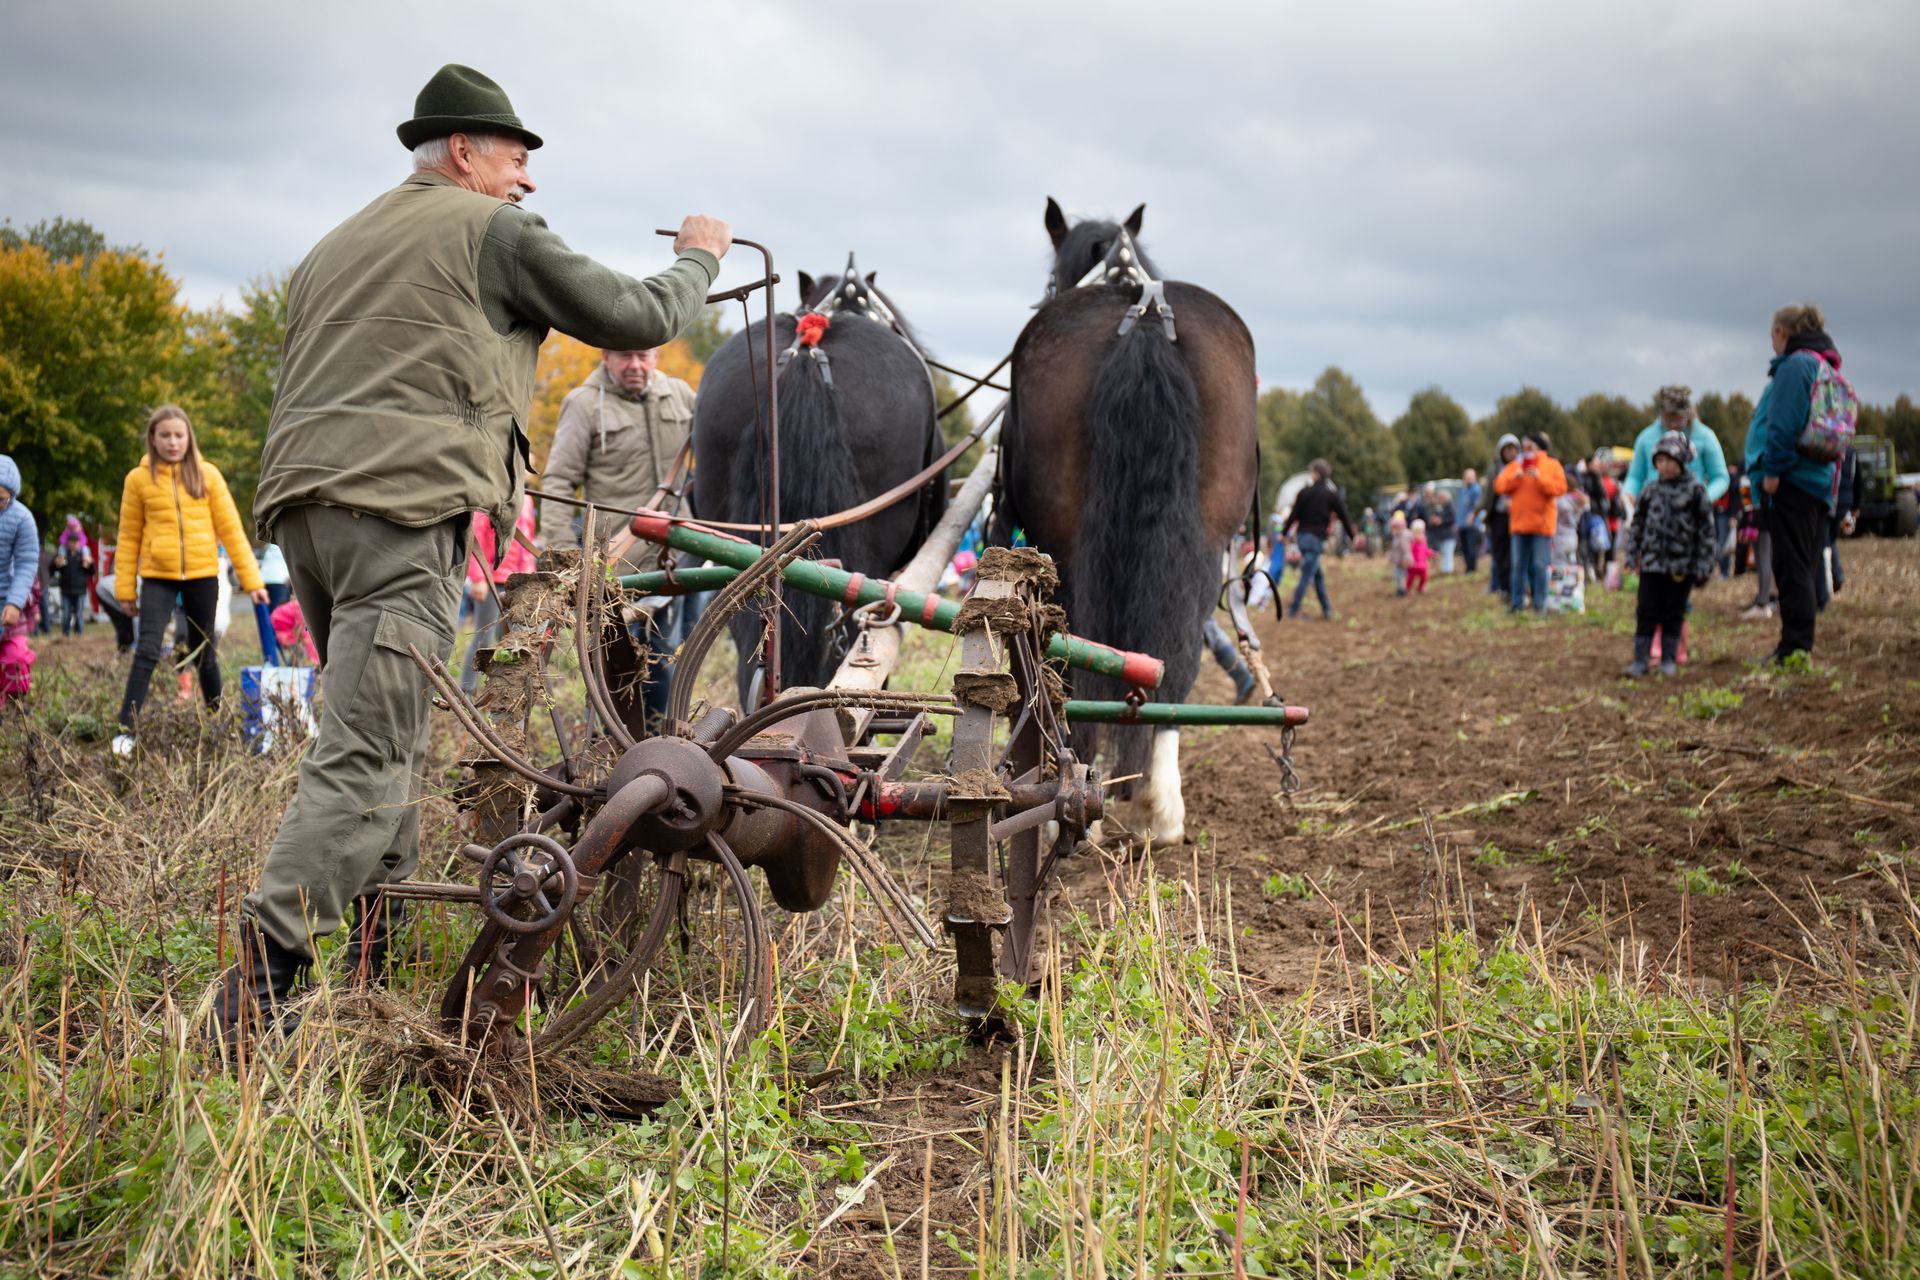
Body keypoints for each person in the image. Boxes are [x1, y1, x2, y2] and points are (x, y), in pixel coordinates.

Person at [217, 63, 732, 1044]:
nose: (527, 178)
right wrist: (698, 258)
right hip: (402, 514)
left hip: (305, 511)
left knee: (392, 726)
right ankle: (260, 993)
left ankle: (376, 947)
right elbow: (636, 316)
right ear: (462, 151)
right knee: (367, 746)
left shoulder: (338, 241)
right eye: (515, 158)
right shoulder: (491, 229)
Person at [110, 406, 267, 753]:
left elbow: (232, 530)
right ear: (153, 439)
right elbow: (128, 537)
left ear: (188, 438)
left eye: (179, 435)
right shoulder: (138, 480)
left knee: (204, 650)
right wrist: (125, 589)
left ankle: (217, 721)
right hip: (158, 577)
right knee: (148, 649)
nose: (172, 442)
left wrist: (253, 581)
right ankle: (125, 731)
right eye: (165, 435)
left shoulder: (207, 475)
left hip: (202, 575)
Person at [1743, 304, 1843, 664]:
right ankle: (1797, 645)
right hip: (1815, 481)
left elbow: (1782, 425)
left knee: (1792, 569)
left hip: (1791, 482)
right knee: (1803, 565)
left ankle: (1794, 649)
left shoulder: (1795, 365)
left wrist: (1771, 473)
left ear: (1782, 333)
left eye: (1772, 334)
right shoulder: (1821, 364)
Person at [1622, 431, 1715, 677]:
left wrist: (1704, 564)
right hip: (1651, 564)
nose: (1665, 466)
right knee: (1646, 610)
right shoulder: (1650, 490)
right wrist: (1631, 555)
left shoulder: (1695, 491)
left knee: (1673, 610)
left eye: (1671, 460)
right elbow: (1638, 525)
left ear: (1683, 461)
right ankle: (1640, 660)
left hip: (1681, 565)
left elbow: (1706, 530)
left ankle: (1668, 658)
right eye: (1660, 461)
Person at [459, 493, 537, 695]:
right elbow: (475, 537)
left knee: (512, 640)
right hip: (491, 579)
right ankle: (466, 689)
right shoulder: (492, 495)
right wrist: (478, 577)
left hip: (517, 581)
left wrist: (529, 575)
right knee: (483, 637)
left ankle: (505, 691)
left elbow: (528, 537)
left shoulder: (527, 500)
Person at [1494, 432, 1568, 614]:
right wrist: (1516, 477)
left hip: (1542, 525)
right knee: (1518, 566)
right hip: (1519, 525)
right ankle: (1517, 603)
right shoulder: (1516, 465)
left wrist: (1539, 477)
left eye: (1530, 446)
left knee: (1540, 566)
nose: (1526, 450)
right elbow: (1499, 486)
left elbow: (1561, 488)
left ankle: (1540, 604)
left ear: (1539, 447)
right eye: (1524, 447)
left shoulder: (1551, 465)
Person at [1280, 458, 1355, 620]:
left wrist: (1284, 533)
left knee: (1317, 574)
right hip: (1316, 539)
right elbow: (1344, 515)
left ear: (1317, 474)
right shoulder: (1331, 495)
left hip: (1302, 538)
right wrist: (1351, 535)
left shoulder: (1304, 492)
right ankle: (1294, 609)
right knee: (1307, 574)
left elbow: (1294, 515)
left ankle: (1327, 609)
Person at [0, 456, 40, 705]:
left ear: (12, 495)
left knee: (15, 658)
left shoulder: (23, 519)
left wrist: (15, 602)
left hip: (8, 598)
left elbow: (27, 562)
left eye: (0, 499)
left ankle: (14, 704)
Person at [1482, 435, 1520, 596]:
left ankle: (1515, 588)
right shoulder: (1495, 468)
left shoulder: (1521, 466)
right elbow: (1489, 493)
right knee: (1499, 554)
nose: (1509, 453)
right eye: (1506, 449)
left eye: (1512, 449)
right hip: (1498, 516)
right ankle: (1504, 587)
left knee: (1514, 554)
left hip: (1516, 515)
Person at [52, 516, 94, 636]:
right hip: (66, 590)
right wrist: (57, 562)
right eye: (71, 541)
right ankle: (65, 634)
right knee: (66, 614)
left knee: (79, 613)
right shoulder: (63, 549)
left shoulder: (83, 550)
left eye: (76, 542)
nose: (73, 544)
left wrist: (89, 563)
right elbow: (53, 568)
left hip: (80, 590)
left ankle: (78, 634)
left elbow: (92, 571)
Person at [1424, 486, 1457, 573]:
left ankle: (1448, 570)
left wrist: (1441, 521)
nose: (1439, 500)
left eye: (1440, 498)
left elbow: (1452, 519)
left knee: (1448, 553)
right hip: (1442, 535)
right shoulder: (1441, 507)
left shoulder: (1450, 506)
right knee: (1445, 553)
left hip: (1449, 535)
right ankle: (1445, 570)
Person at [1457, 468, 1482, 574]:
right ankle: (1468, 568)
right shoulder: (1463, 490)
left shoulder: (1476, 490)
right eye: (1466, 477)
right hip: (1462, 524)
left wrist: (1472, 517)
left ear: (1474, 477)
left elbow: (1476, 506)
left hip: (1471, 524)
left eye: (1470, 477)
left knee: (1471, 547)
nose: (1468, 479)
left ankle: (1472, 568)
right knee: (1465, 548)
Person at [257, 542, 293, 610]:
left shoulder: (268, 546)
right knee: (279, 610)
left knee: (266, 610)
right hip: (280, 580)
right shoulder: (286, 543)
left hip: (264, 579)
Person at [1386, 509, 1411, 595]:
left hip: (1403, 561)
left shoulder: (1404, 537)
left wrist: (1406, 559)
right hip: (1398, 560)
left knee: (1401, 575)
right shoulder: (1396, 536)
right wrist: (1390, 559)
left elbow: (1406, 550)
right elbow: (1393, 549)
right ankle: (1400, 588)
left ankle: (1402, 590)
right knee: (1397, 575)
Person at [1404, 519, 1432, 594]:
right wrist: (1407, 560)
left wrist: (1432, 553)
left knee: (1424, 577)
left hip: (1422, 565)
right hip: (1413, 565)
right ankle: (1407, 589)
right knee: (1410, 578)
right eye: (1416, 533)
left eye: (1420, 533)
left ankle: (1421, 588)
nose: (1418, 535)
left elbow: (1426, 551)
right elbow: (1408, 552)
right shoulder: (1411, 543)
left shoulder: (1424, 542)